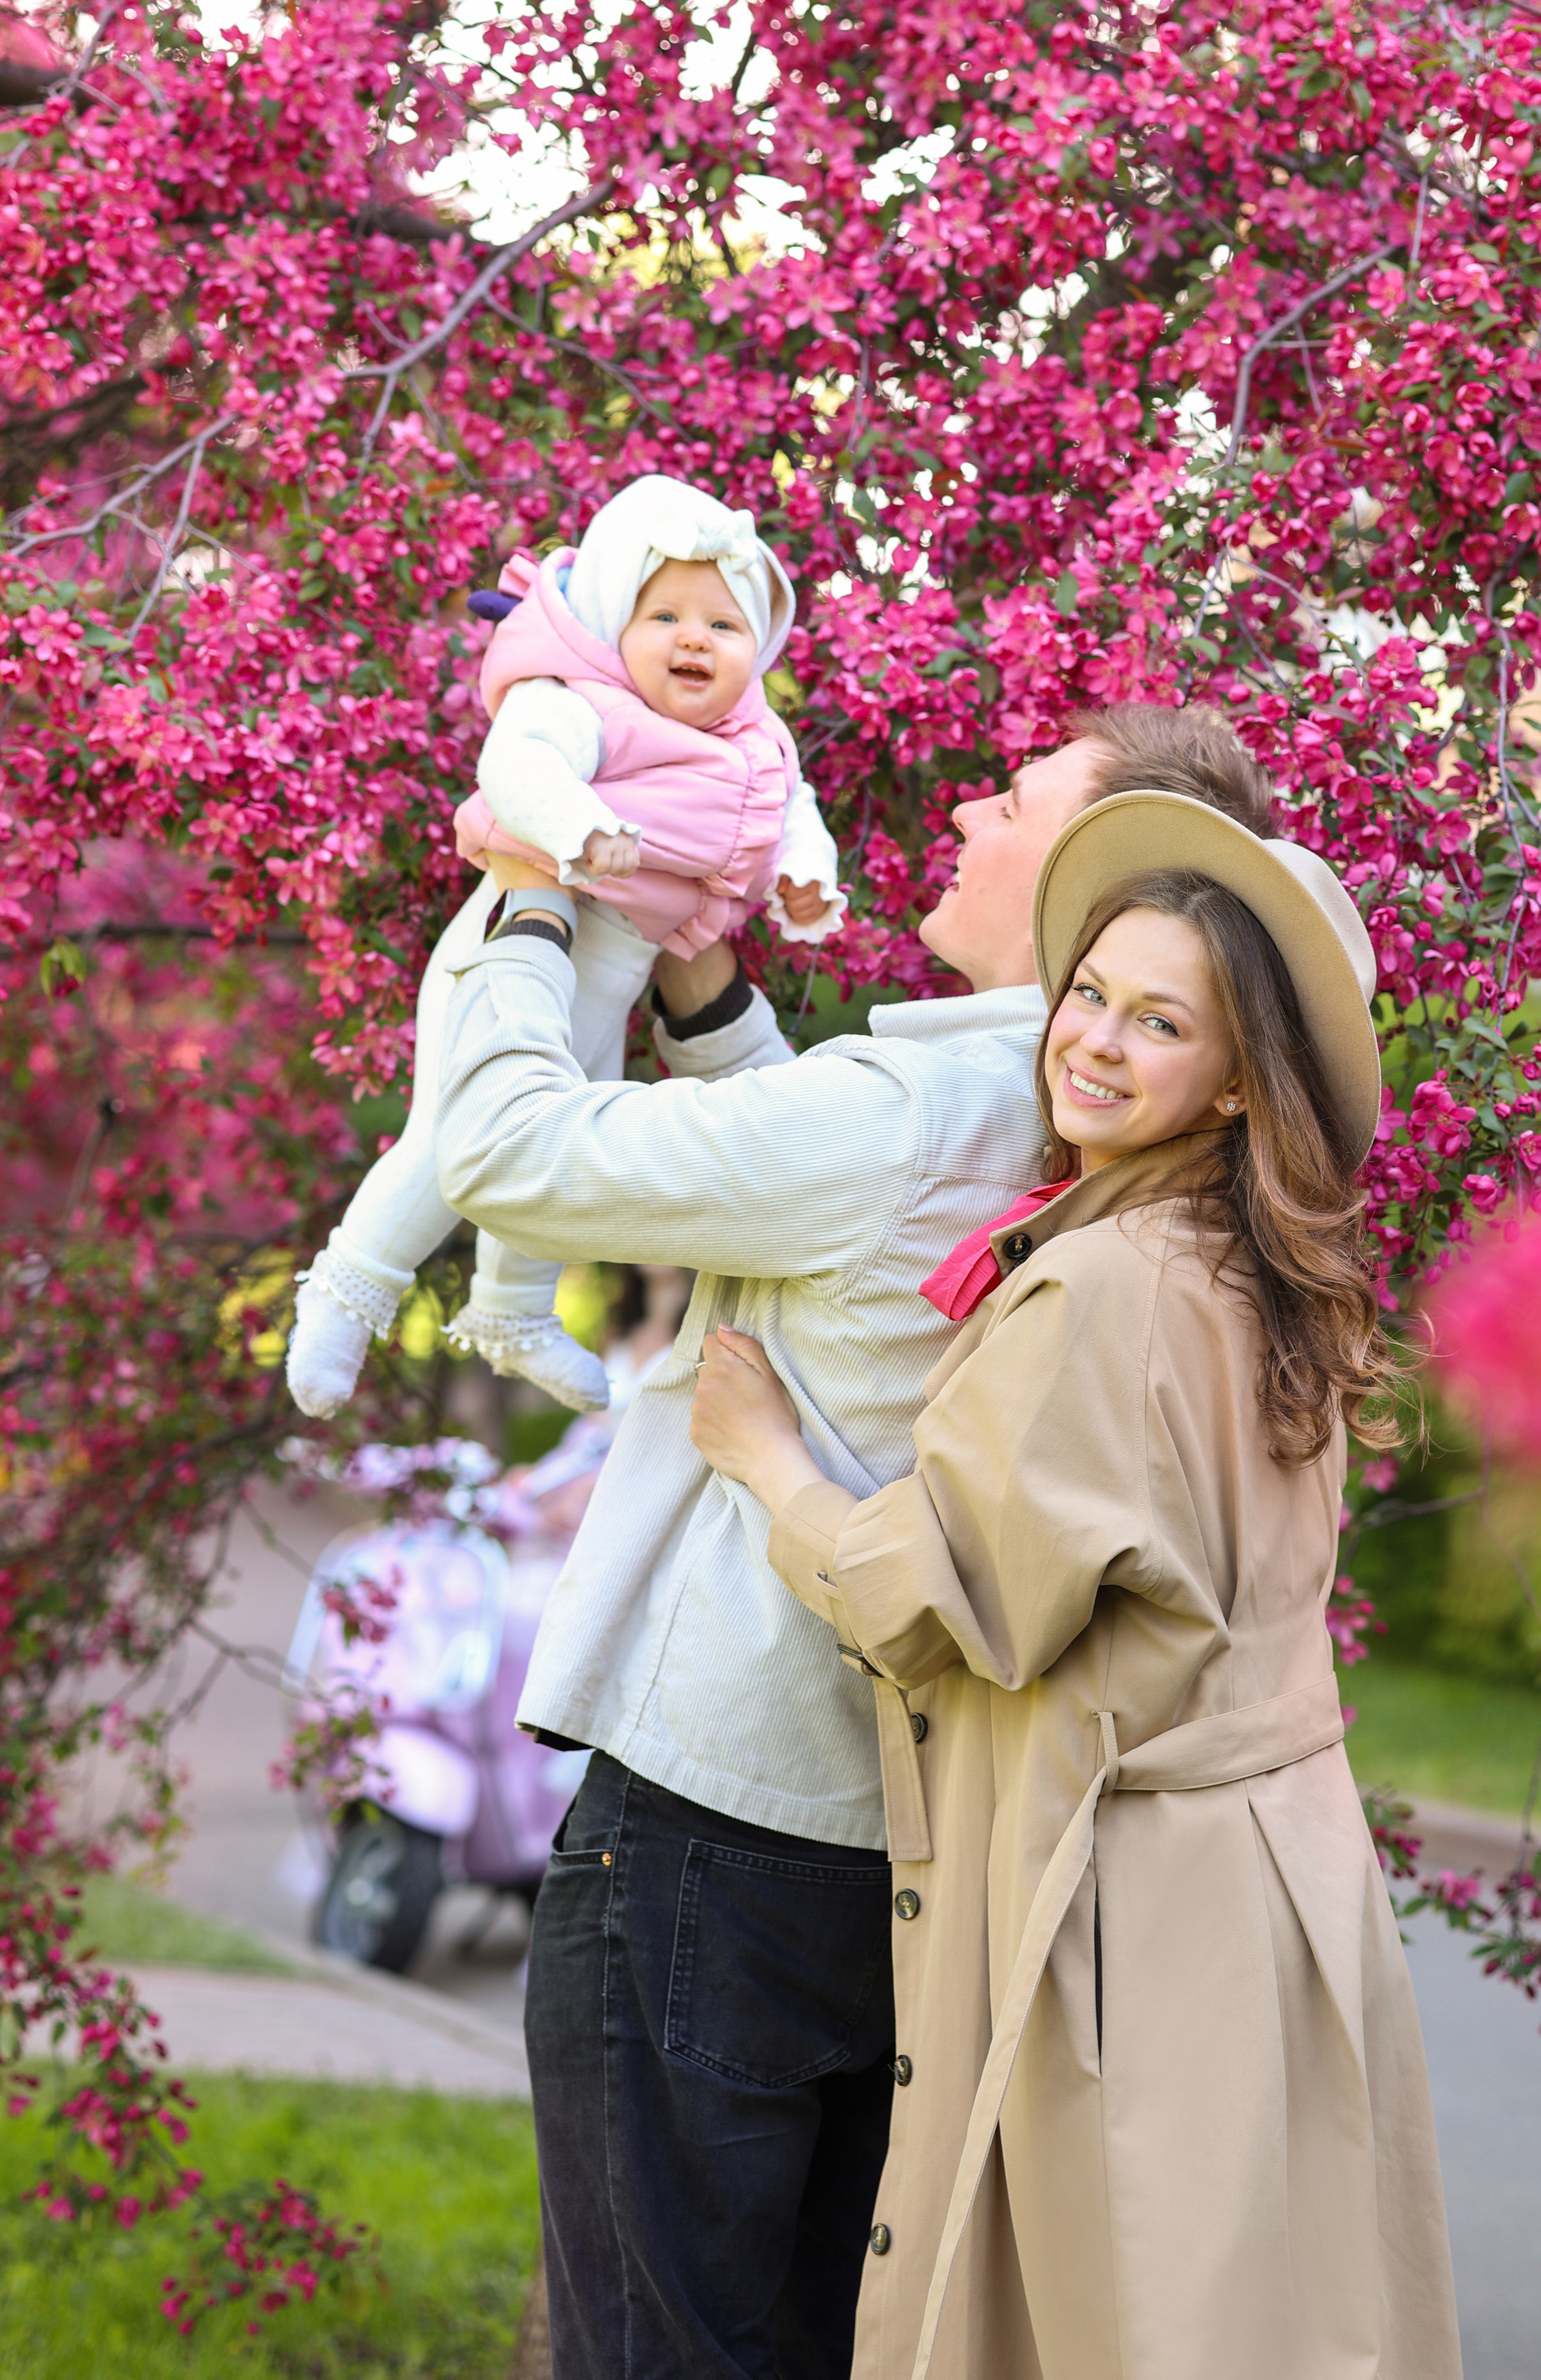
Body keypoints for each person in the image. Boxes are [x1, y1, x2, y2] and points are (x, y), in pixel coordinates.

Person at [434, 707, 1281, 2380]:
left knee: (660, 2344)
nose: (969, 801)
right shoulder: (1091, 1121)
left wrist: (531, 905)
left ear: (1104, 874)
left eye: (1018, 794)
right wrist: (698, 992)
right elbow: (830, 1209)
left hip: (705, 1825)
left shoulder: (932, 1100)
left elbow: (503, 1153)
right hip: (895, 1841)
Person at [690, 790, 1463, 2380]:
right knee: (1266, 2316)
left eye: (1158, 1020)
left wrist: (768, 1462)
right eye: (1089, 996)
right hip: (1277, 1884)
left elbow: (945, 1600)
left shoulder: (1100, 1285)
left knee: (1118, 2315)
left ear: (1239, 1078)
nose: (1094, 1042)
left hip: (1132, 1907)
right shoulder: (1253, 1273)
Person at [286, 474, 843, 1419]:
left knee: (559, 1134)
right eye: (664, 614)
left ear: (760, 649)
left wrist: (805, 878)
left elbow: (799, 817)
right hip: (517, 938)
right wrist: (579, 828)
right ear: (614, 628)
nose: (694, 639)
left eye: (723, 624)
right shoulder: (585, 702)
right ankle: (345, 1292)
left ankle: (512, 1310)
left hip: (614, 971)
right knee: (452, 1135)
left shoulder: (763, 742)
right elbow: (517, 764)